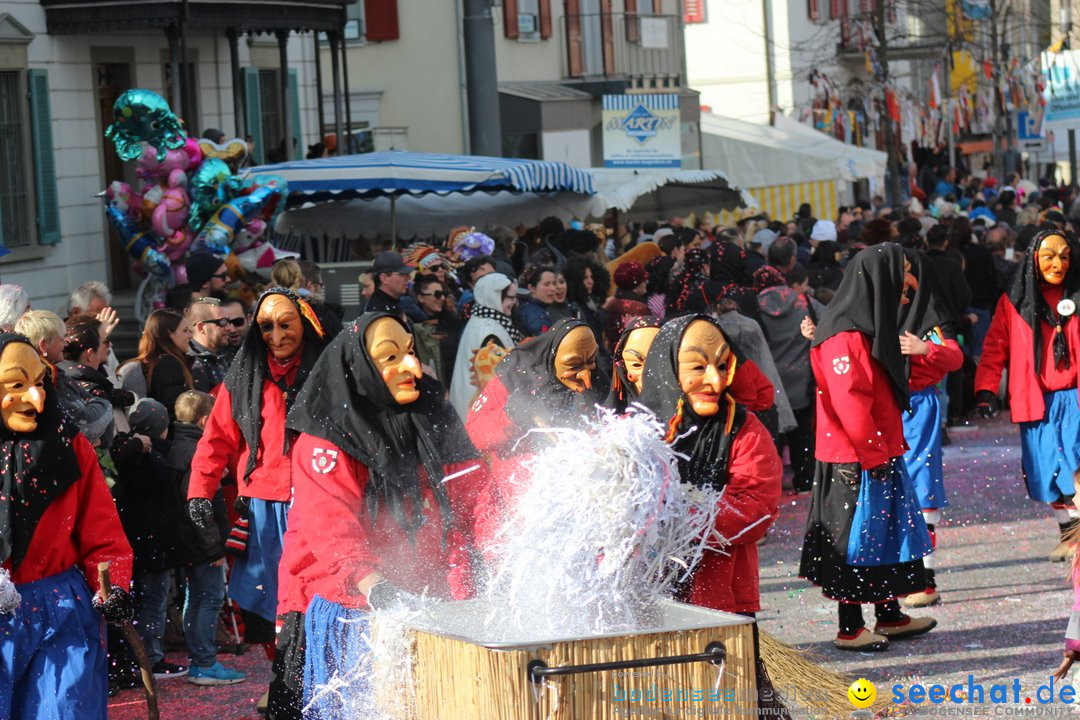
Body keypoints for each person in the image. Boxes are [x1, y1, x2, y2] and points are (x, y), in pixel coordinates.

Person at [282, 314, 497, 717]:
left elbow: (476, 493)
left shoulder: (433, 415)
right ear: (359, 366)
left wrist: (501, 555)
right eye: (391, 357)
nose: (412, 368)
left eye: (412, 353)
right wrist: (375, 586)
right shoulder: (327, 439)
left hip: (435, 600)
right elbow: (330, 527)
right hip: (358, 611)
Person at [635, 315, 782, 711]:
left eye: (722, 365)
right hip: (647, 603)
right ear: (668, 367)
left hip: (722, 595)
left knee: (730, 700)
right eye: (698, 367)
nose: (715, 382)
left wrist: (681, 521)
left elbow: (757, 507)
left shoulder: (744, 428)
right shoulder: (637, 430)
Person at [186, 289, 326, 700]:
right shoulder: (243, 375)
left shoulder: (328, 371)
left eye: (286, 324)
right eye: (266, 326)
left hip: (318, 502)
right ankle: (284, 678)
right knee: (263, 604)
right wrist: (199, 494)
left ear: (305, 323)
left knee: (316, 598)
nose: (277, 335)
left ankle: (308, 679)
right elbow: (215, 440)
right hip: (263, 506)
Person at [799, 244, 936, 652]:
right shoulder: (844, 335)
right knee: (854, 541)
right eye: (903, 274)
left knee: (883, 534)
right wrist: (875, 454)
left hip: (874, 451)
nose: (909, 285)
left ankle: (889, 614)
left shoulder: (866, 326)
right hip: (854, 458)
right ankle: (850, 627)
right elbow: (849, 402)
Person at [0, 333, 134, 720]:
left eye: (40, 382)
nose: (36, 399)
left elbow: (103, 535)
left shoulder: (70, 447)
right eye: (16, 385)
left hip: (60, 615)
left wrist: (114, 588)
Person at [975, 229, 1080, 562]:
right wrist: (986, 389)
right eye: (1049, 256)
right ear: (1034, 259)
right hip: (1035, 401)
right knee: (1047, 473)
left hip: (1075, 398)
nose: (1058, 263)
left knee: (1075, 468)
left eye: (1064, 255)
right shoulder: (1013, 303)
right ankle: (1068, 533)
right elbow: (994, 348)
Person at [897, 250, 964, 608]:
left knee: (921, 487)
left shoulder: (928, 313)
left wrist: (925, 349)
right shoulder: (872, 309)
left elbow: (954, 356)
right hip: (881, 410)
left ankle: (925, 577)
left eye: (908, 272)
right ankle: (897, 575)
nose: (903, 280)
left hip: (918, 408)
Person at [466, 319, 606, 488]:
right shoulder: (514, 378)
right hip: (522, 494)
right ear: (553, 357)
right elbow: (474, 435)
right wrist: (512, 415)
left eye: (590, 361)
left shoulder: (599, 381)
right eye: (573, 366)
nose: (586, 378)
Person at [168, 390, 245, 686]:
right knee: (207, 598)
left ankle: (200, 658)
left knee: (196, 597)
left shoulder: (177, 446)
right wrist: (215, 549)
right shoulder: (197, 452)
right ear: (204, 421)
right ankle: (204, 661)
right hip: (201, 541)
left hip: (188, 540)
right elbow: (197, 505)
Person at [112, 398, 189, 679]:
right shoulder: (146, 457)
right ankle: (151, 659)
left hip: (145, 539)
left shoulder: (139, 455)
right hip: (151, 541)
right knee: (153, 603)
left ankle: (147, 657)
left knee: (149, 602)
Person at [757, 267, 826, 493]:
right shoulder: (805, 302)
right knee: (802, 434)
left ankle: (773, 486)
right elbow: (829, 321)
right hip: (801, 375)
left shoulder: (754, 306)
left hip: (770, 379)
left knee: (771, 437)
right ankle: (805, 481)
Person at [14, 311, 115, 446]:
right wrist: (105, 405)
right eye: (61, 338)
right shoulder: (50, 379)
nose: (66, 344)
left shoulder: (53, 373)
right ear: (44, 345)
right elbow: (88, 426)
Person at [449, 273, 523, 418]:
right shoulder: (488, 331)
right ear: (494, 297)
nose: (514, 302)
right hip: (481, 411)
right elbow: (498, 377)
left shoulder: (484, 319)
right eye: (510, 297)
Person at [123, 309, 194, 421]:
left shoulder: (154, 361)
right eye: (185, 331)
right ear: (168, 334)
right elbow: (174, 408)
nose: (190, 336)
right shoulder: (169, 364)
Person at [412, 274, 462, 383]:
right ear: (421, 297)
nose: (442, 298)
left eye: (443, 294)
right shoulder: (413, 328)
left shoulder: (450, 320)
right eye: (437, 294)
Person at [606, 316, 660, 414]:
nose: (646, 376)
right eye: (636, 365)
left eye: (656, 364)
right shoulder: (610, 422)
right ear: (623, 368)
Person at [603, 261, 651, 351]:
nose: (647, 282)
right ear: (636, 284)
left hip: (610, 354)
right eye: (644, 280)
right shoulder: (640, 309)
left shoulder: (608, 303)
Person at [187, 297, 230, 393]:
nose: (229, 328)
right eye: (222, 322)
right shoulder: (192, 364)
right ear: (201, 327)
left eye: (228, 321)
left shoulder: (225, 355)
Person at [364, 252, 414, 317]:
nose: (409, 278)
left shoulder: (388, 306)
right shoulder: (380, 313)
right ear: (384, 278)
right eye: (402, 274)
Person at [518, 265, 559, 336]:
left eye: (554, 283)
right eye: (547, 284)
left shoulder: (542, 308)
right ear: (531, 288)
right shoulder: (534, 314)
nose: (553, 288)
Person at [220, 298, 249, 365]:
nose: (232, 330)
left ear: (249, 319)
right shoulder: (217, 358)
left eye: (238, 322)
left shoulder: (264, 348)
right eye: (225, 324)